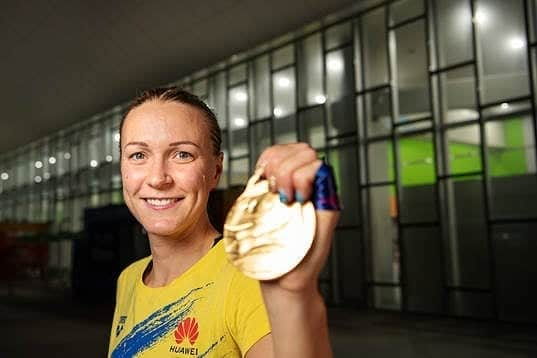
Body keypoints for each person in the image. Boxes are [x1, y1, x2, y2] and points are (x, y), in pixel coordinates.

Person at [108, 87, 340, 357]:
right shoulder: (129, 280)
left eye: (183, 154)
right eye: (138, 155)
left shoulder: (248, 278)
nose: (158, 178)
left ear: (215, 170)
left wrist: (290, 296)